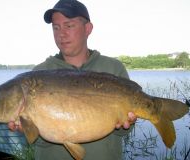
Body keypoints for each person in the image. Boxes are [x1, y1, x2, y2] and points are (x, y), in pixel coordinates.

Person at [8, 0, 137, 159]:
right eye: (56, 27)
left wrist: (127, 124)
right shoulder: (38, 75)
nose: (61, 34)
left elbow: (124, 132)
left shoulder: (113, 69)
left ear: (88, 29)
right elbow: (39, 143)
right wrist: (30, 131)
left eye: (69, 26)